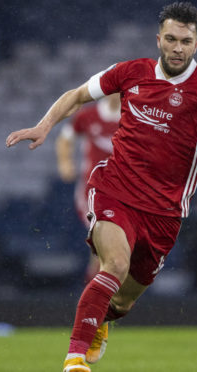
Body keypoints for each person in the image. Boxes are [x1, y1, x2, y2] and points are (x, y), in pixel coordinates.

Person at [6, 2, 197, 371]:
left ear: (196, 45)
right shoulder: (130, 71)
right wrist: (45, 126)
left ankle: (104, 320)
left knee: (124, 301)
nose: (177, 47)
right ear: (159, 40)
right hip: (114, 190)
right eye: (171, 38)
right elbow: (76, 95)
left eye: (186, 41)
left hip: (165, 212)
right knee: (114, 263)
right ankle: (74, 358)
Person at [56, 93, 121, 283]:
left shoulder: (135, 118)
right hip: (93, 193)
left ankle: (95, 289)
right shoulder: (88, 116)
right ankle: (98, 295)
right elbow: (65, 139)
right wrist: (65, 163)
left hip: (123, 192)